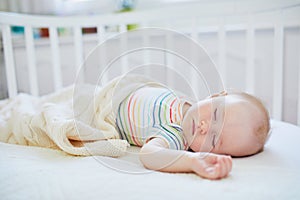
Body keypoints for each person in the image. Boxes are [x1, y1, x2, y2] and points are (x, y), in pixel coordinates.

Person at [115, 84, 270, 180]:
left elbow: (149, 154)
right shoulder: (187, 102)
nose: (205, 127)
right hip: (119, 90)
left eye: (213, 139)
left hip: (107, 110)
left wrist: (190, 161)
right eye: (215, 115)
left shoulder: (177, 135)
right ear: (215, 96)